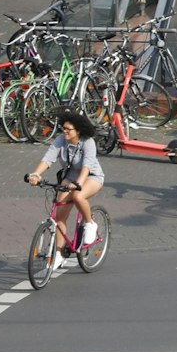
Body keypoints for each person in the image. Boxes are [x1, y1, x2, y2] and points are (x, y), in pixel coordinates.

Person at [24, 111, 106, 262]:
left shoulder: (88, 142)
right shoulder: (61, 140)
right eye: (63, 128)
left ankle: (90, 224)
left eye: (69, 129)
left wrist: (79, 184)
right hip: (70, 178)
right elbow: (48, 159)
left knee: (78, 196)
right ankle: (59, 254)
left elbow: (87, 166)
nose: (65, 131)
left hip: (91, 177)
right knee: (59, 216)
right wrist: (36, 174)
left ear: (78, 130)